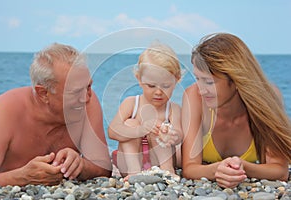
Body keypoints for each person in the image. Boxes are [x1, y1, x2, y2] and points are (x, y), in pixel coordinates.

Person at [0, 43, 112, 189]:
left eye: (88, 86)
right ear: (43, 93)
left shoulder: (87, 102)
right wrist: (21, 177)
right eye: (74, 92)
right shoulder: (5, 110)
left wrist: (80, 166)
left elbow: (103, 168)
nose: (86, 98)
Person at [181, 33, 291, 188]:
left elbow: (280, 170)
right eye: (197, 78)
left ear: (236, 79)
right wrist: (217, 170)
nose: (201, 90)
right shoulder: (193, 96)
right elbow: (190, 168)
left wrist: (242, 167)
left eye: (208, 82)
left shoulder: (268, 97)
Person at [108, 42, 183, 177]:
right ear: (139, 79)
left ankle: (167, 170)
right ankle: (134, 172)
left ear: (176, 80)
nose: (158, 92)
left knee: (163, 128)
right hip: (129, 162)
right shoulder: (131, 103)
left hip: (158, 163)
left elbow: (179, 135)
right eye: (151, 85)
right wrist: (140, 130)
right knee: (130, 124)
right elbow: (112, 131)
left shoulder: (173, 109)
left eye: (166, 86)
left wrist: (170, 134)